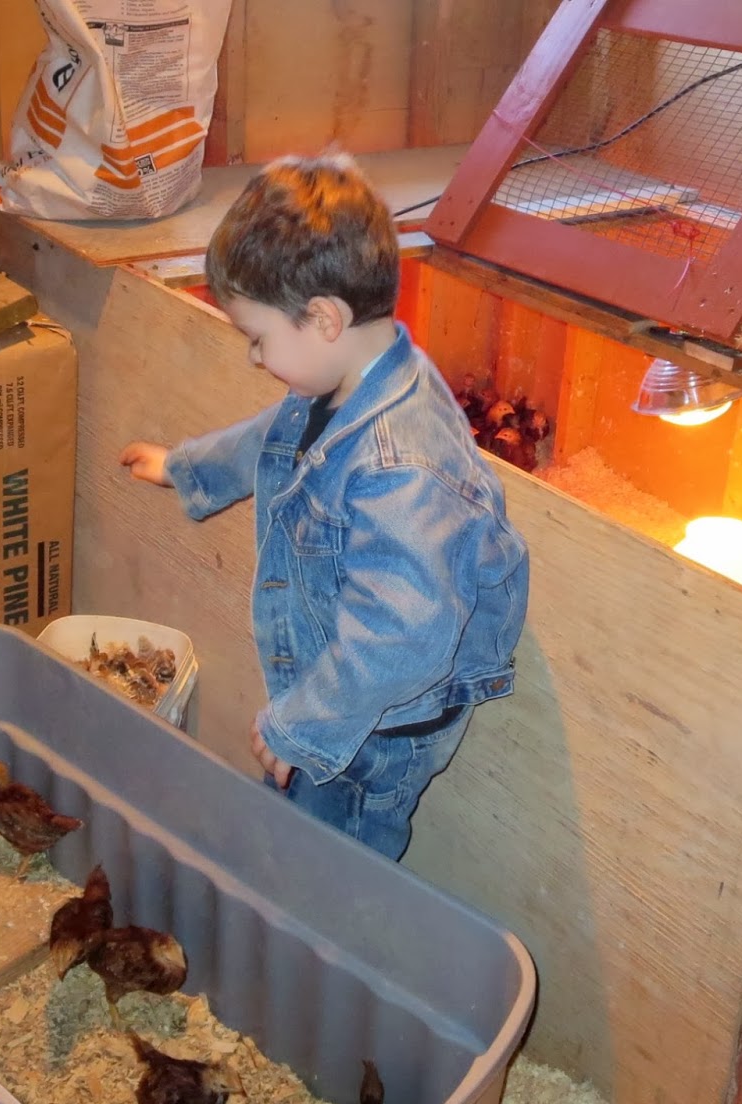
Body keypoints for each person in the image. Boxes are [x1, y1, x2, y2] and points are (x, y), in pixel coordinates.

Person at [119, 153, 529, 859]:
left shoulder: (400, 465)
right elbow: (273, 438)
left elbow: (400, 634)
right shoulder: (344, 379)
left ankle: (325, 920)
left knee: (336, 865)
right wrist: (186, 469)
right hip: (340, 695)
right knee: (299, 827)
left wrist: (302, 726)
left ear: (324, 318)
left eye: (258, 339)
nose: (254, 359)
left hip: (377, 729)